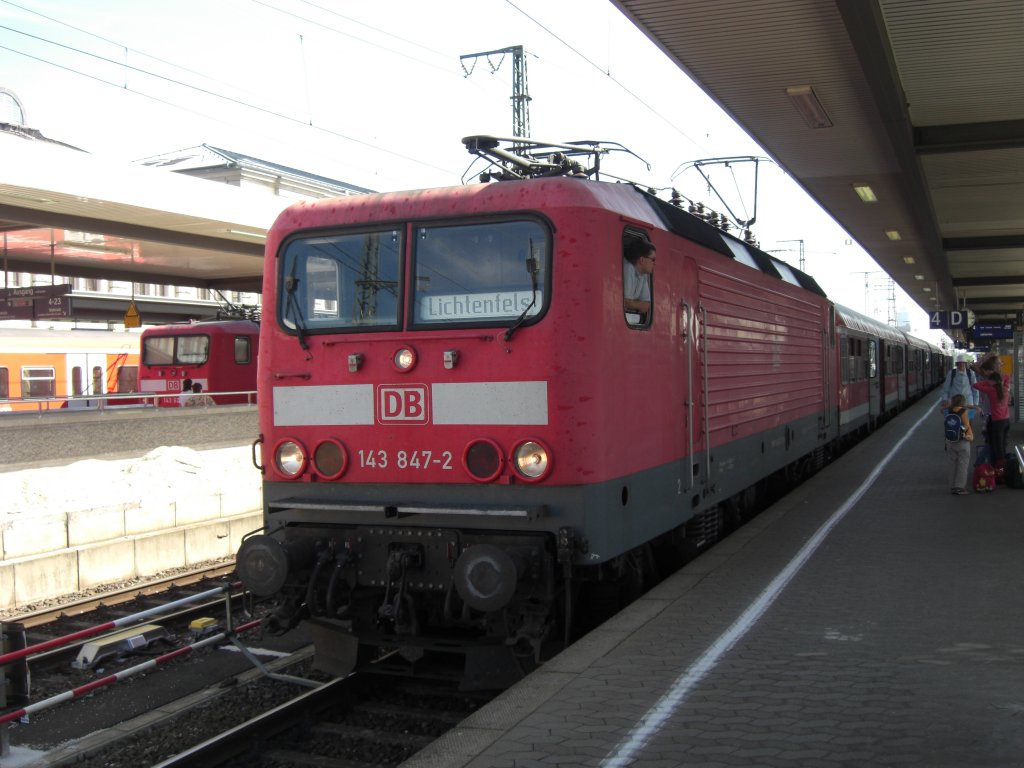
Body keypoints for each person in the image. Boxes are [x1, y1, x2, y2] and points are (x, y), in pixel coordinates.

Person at [971, 352, 1010, 465]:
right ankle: (1000, 465)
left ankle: (992, 465)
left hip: (994, 418)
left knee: (993, 442)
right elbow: (1007, 377)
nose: (1001, 364)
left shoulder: (991, 388)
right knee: (1001, 443)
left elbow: (976, 385)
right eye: (998, 363)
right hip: (1004, 419)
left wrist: (989, 382)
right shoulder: (1004, 387)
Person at [945, 393, 974, 495]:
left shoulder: (948, 411)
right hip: (963, 441)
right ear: (963, 402)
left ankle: (952, 486)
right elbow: (967, 424)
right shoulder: (965, 412)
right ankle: (959, 487)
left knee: (952, 464)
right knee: (963, 465)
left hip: (950, 441)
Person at [623, 239, 655, 323]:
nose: (654, 263)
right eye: (653, 259)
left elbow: (646, 305)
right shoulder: (628, 269)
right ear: (642, 260)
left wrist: (632, 304)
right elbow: (625, 302)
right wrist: (636, 304)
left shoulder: (643, 275)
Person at [939, 353, 978, 417]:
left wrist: (975, 403)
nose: (961, 364)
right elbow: (946, 388)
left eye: (963, 363)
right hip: (954, 401)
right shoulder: (952, 373)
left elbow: (975, 389)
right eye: (959, 363)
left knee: (968, 420)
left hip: (967, 401)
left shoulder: (971, 373)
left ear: (965, 364)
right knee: (953, 420)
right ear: (956, 364)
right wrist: (945, 399)